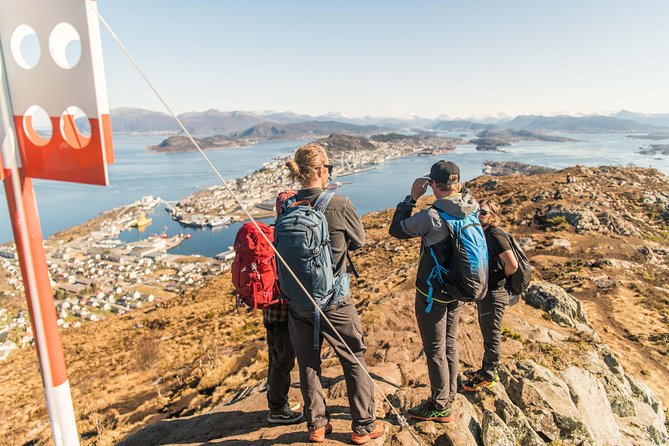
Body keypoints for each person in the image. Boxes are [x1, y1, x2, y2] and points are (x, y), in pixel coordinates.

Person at [282, 143, 383, 444]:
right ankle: (363, 425)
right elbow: (361, 240)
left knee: (308, 362)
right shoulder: (338, 203)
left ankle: (316, 425)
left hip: (299, 301)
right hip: (335, 300)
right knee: (353, 358)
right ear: (322, 171)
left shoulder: (288, 207)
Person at [389, 160, 478, 422]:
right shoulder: (472, 206)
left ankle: (440, 405)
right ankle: (448, 395)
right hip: (458, 288)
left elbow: (397, 230)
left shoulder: (432, 216)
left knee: (435, 349)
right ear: (457, 183)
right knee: (450, 343)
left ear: (434, 185)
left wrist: (412, 198)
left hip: (433, 293)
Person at [463, 199, 518, 391]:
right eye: (477, 211)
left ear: (493, 217)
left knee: (491, 334)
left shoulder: (495, 234)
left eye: (483, 212)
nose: (479, 215)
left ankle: (488, 375)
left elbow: (512, 264)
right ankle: (485, 369)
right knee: (487, 332)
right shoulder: (484, 233)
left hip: (495, 293)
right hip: (488, 292)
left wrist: (501, 278)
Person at [263, 189, 304, 425]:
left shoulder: (268, 233)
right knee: (284, 360)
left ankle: (279, 401)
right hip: (284, 309)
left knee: (275, 356)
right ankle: (277, 409)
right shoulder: (288, 235)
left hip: (269, 310)